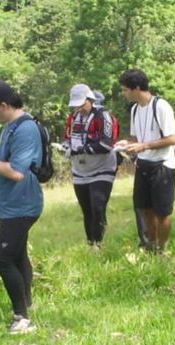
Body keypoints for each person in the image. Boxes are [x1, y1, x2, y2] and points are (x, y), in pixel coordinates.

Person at [0, 79, 43, 334]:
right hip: (10, 206)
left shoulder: (25, 130)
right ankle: (27, 305)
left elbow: (16, 173)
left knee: (2, 260)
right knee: (18, 255)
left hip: (21, 206)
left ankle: (22, 318)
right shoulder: (10, 127)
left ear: (4, 105)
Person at [117, 69, 175, 252]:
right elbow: (138, 139)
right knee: (144, 209)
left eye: (125, 90)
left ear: (137, 88)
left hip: (163, 166)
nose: (123, 94)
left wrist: (144, 146)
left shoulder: (160, 106)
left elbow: (173, 139)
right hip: (143, 165)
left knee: (162, 212)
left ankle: (163, 249)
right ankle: (150, 246)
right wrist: (127, 144)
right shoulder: (135, 109)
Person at [63, 84, 118, 250]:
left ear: (90, 100)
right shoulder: (72, 118)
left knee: (97, 205)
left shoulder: (103, 117)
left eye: (81, 104)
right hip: (80, 169)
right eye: (75, 105)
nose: (78, 108)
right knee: (86, 209)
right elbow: (68, 138)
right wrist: (66, 147)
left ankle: (98, 244)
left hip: (102, 167)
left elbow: (107, 144)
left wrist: (80, 149)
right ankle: (90, 244)